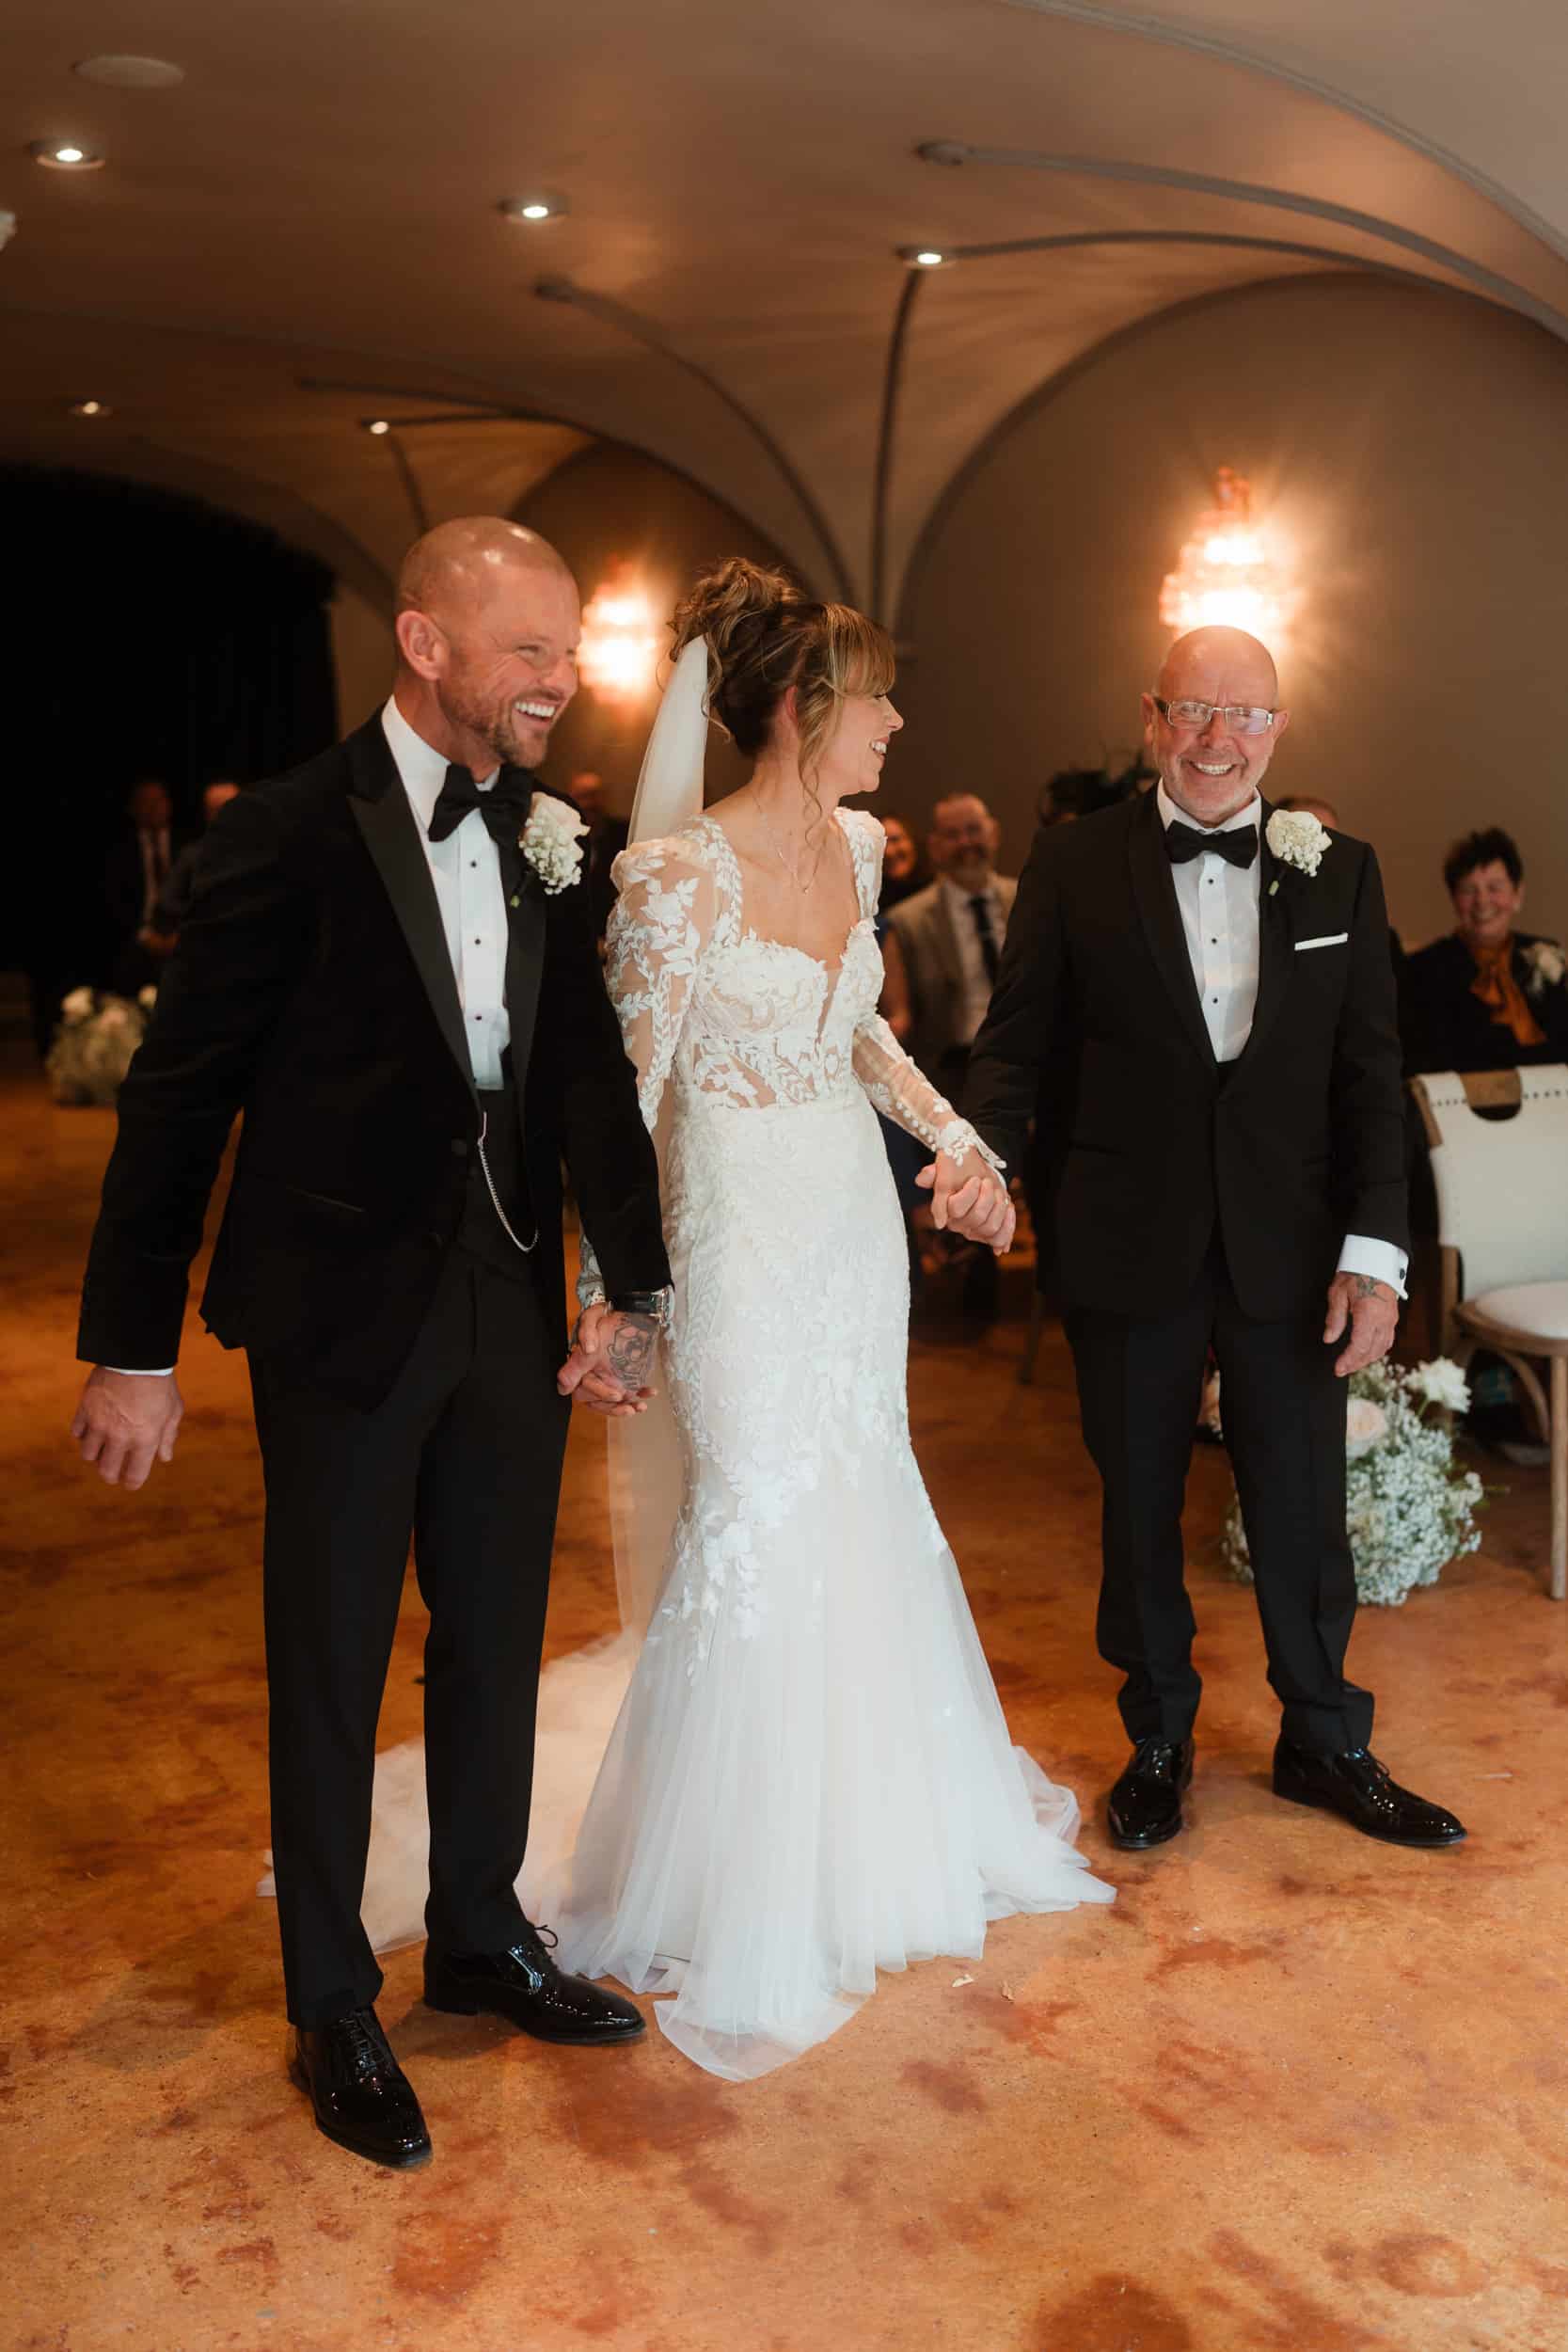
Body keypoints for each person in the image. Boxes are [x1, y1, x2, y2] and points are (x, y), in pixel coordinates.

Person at [70, 518, 671, 2170]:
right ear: (424, 643)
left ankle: (477, 1931)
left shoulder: (558, 837)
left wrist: (629, 1289)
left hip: (511, 1298)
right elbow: (179, 1100)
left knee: (493, 1633)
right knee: (332, 1656)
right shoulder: (282, 833)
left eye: (569, 649)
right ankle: (333, 1997)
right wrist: (131, 1346)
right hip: (336, 1310)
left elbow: (587, 1077)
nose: (561, 680)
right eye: (530, 649)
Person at [543, 559, 1112, 2076]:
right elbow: (625, 1103)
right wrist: (613, 1301)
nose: (897, 722)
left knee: (862, 1490)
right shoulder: (673, 878)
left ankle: (876, 1834)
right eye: (876, 698)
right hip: (734, 1234)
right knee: (753, 1509)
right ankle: (740, 1878)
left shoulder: (860, 849)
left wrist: (963, 1148)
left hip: (849, 1231)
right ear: (800, 706)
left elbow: (857, 1032)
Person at [965, 627, 1465, 1858]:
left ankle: (1322, 1738)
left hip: (1288, 1247)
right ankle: (1156, 1739)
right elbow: (1016, 1046)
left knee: (1299, 1502)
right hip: (1124, 1235)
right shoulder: (1072, 862)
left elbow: (1368, 1078)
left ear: (1276, 730)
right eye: (1192, 710)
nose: (1215, 740)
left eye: (1243, 716)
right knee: (1136, 1506)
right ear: (1151, 716)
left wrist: (1374, 1256)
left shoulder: (1337, 871)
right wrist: (982, 1159)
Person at [887, 795, 1018, 1318]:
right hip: (951, 1072)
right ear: (936, 846)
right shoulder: (906, 922)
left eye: (974, 830)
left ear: (994, 833)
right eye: (953, 835)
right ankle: (972, 1277)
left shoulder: (1029, 899)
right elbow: (901, 1017)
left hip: (1034, 1068)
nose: (967, 844)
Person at [1400, 826, 1568, 1074]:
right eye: (1469, 890)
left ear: (1517, 894)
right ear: (1454, 900)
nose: (1482, 901)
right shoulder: (1422, 969)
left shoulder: (1547, 955)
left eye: (1494, 888)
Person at [101, 776, 182, 994]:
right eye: (146, 802)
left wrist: (179, 936)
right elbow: (114, 905)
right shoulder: (118, 853)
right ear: (133, 809)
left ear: (169, 804)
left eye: (158, 800)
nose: (153, 808)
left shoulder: (188, 846)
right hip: (136, 940)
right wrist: (145, 936)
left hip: (182, 937)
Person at [146, 780, 244, 948]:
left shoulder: (255, 850)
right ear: (211, 814)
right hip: (205, 940)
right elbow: (165, 902)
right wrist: (207, 911)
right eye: (228, 809)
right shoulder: (193, 855)